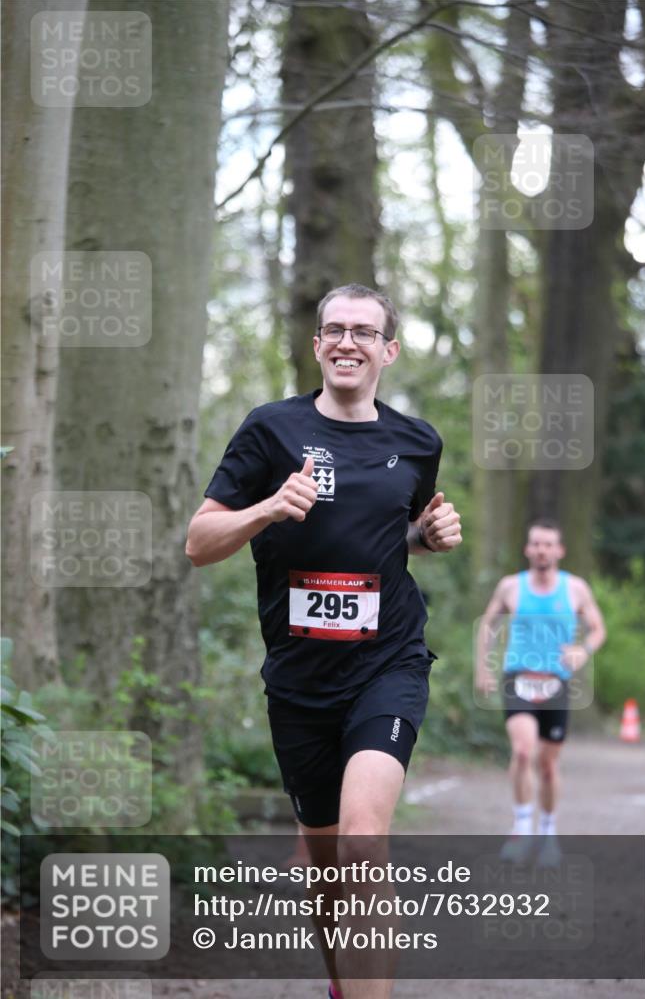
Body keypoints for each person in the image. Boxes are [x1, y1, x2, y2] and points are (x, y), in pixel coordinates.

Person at [186, 283, 462, 999]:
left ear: (387, 351)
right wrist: (268, 508)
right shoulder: (270, 430)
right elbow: (199, 542)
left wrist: (427, 535)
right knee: (326, 862)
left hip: (387, 663)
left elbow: (391, 536)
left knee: (363, 840)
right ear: (317, 346)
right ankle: (343, 986)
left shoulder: (417, 441)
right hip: (300, 679)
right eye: (335, 329)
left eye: (364, 332)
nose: (347, 341)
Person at [475, 519, 606, 861]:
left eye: (548, 544)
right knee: (522, 751)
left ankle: (548, 833)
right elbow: (488, 625)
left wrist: (583, 650)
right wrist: (483, 668)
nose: (541, 550)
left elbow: (597, 629)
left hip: (556, 682)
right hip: (517, 678)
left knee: (547, 765)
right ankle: (521, 829)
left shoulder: (575, 589)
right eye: (536, 544)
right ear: (527, 549)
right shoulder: (510, 587)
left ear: (559, 550)